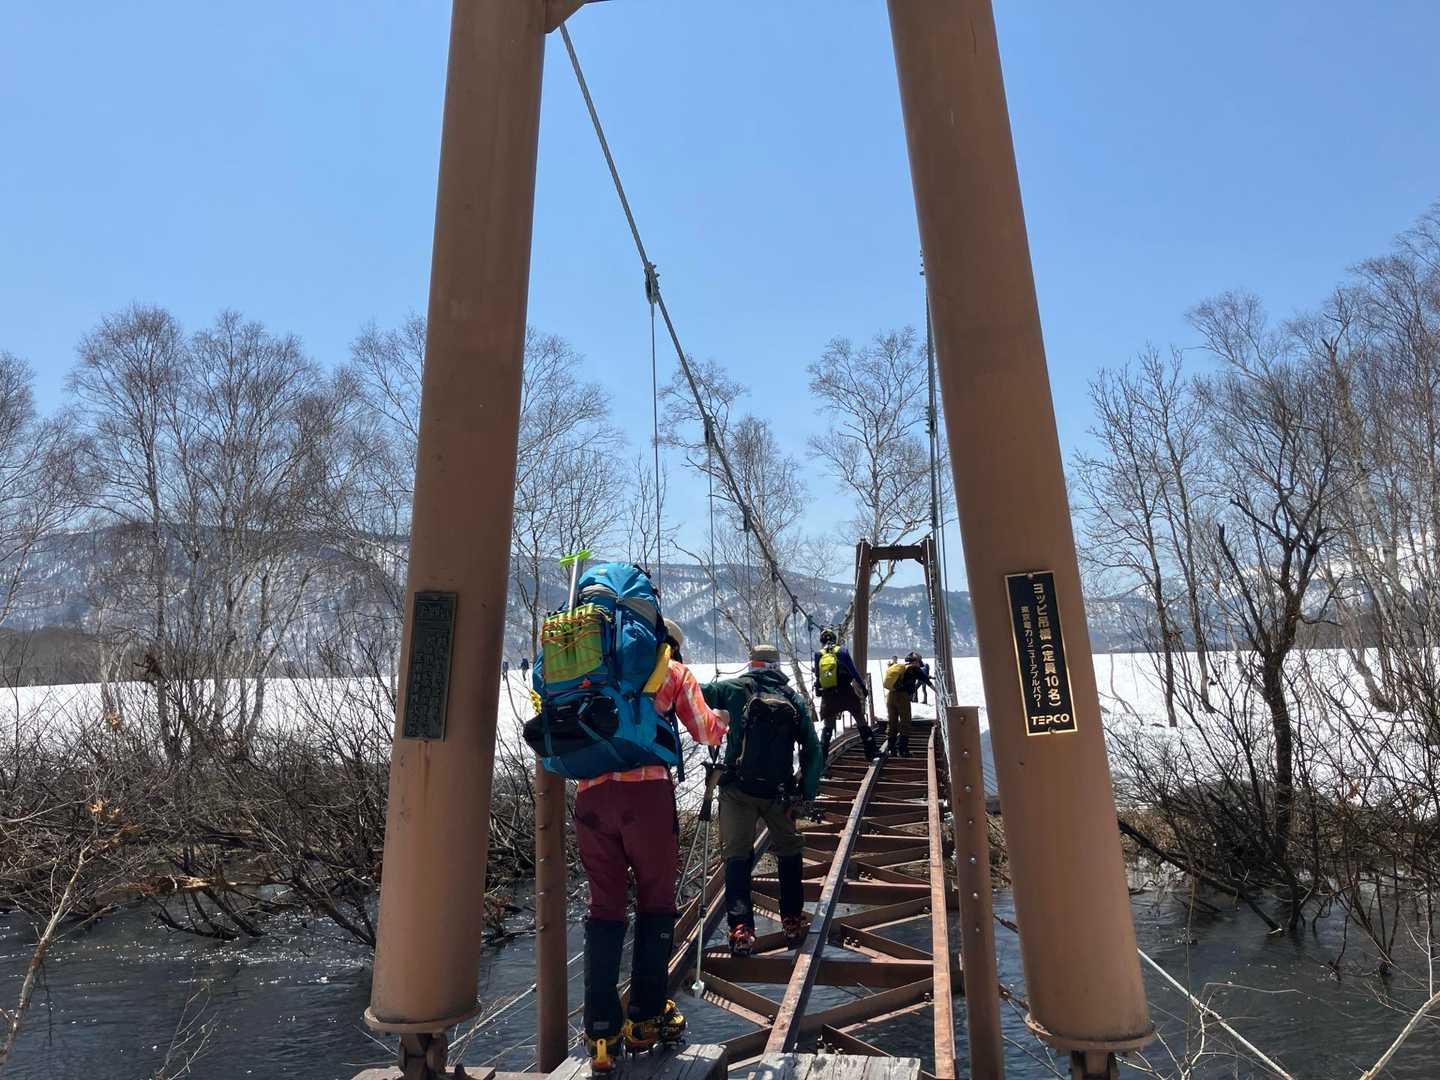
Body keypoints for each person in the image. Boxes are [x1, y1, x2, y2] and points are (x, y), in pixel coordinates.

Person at [572, 617, 727, 1070]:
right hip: (646, 797)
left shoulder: (589, 669)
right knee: (656, 901)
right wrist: (722, 722)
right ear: (669, 643)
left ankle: (601, 1033)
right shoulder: (669, 669)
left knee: (604, 907)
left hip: (590, 796)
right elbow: (704, 731)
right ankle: (645, 1018)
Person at [702, 643, 822, 956]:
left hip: (738, 791)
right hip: (779, 794)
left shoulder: (733, 689)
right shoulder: (793, 698)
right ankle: (792, 920)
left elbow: (695, 694)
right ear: (776, 666)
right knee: (790, 850)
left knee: (737, 856)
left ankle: (741, 928)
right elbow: (813, 750)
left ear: (752, 663)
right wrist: (805, 793)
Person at [812, 627, 878, 761]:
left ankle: (821, 759)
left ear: (822, 641)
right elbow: (853, 671)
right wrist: (862, 687)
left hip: (829, 695)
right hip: (846, 692)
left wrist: (819, 690)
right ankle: (871, 752)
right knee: (860, 719)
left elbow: (818, 676)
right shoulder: (843, 651)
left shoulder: (819, 654)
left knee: (828, 727)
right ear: (834, 639)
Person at [882, 652, 933, 757]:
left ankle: (891, 749)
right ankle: (903, 750)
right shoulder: (914, 669)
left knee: (892, 722)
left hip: (891, 695)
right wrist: (937, 691)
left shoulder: (900, 667)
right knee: (905, 721)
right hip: (902, 697)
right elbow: (926, 680)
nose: (919, 665)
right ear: (916, 661)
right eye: (919, 662)